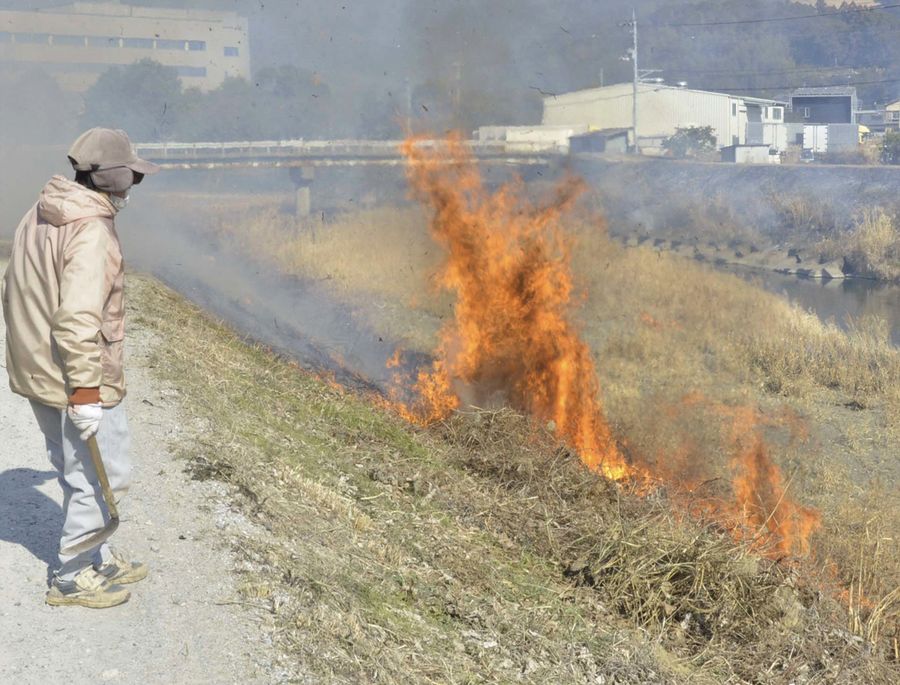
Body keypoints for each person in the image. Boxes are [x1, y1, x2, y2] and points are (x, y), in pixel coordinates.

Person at [2, 128, 160, 608]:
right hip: (78, 376)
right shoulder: (92, 230)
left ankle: (96, 555)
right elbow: (76, 320)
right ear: (115, 179)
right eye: (132, 175)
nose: (134, 184)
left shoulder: (43, 209)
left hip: (41, 368)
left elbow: (14, 286)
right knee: (100, 472)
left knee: (74, 468)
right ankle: (71, 577)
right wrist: (87, 393)